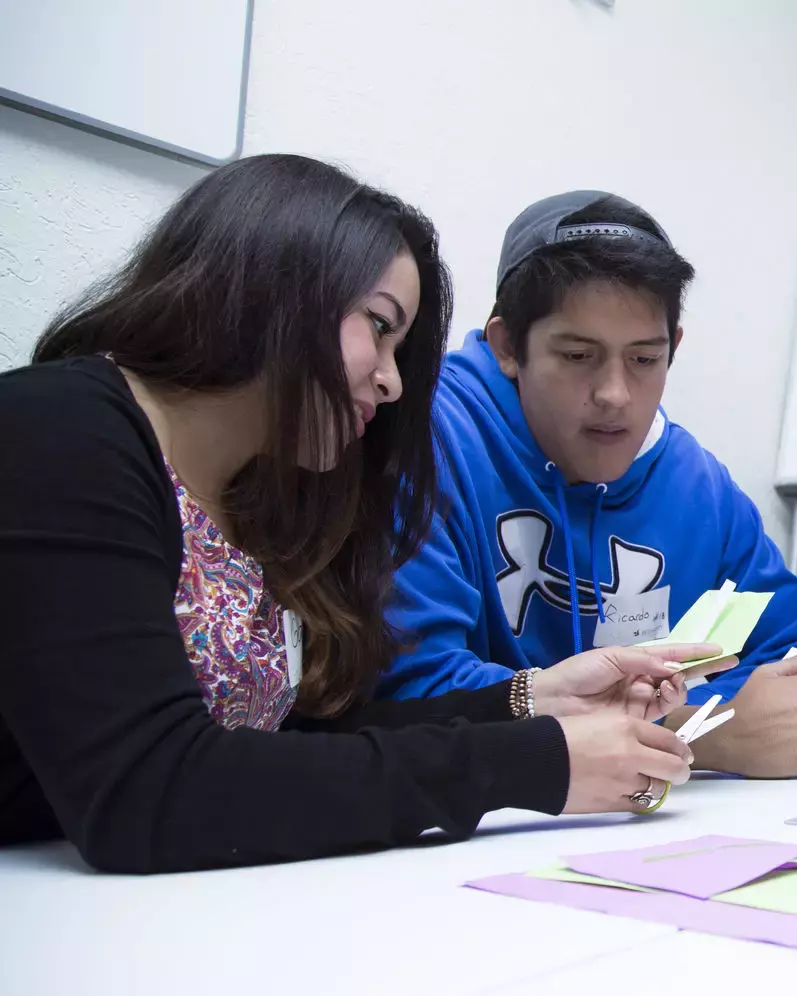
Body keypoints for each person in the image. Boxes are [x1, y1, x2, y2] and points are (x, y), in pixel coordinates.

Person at [0, 155, 722, 873]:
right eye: (377, 328)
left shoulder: (267, 495)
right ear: (270, 289)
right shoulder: (60, 431)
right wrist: (535, 762)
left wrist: (530, 698)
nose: (390, 379)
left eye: (400, 346)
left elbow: (296, 744)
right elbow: (147, 791)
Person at [378, 191, 797, 780]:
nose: (614, 395)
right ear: (508, 347)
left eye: (644, 360)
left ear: (672, 349)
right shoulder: (423, 444)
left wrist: (715, 714)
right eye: (578, 355)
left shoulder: (696, 488)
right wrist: (701, 729)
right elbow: (413, 693)